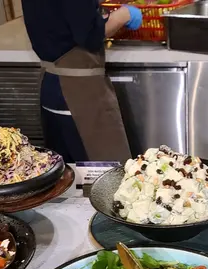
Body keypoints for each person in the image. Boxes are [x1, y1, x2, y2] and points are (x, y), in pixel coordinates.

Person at [22, 1, 143, 162]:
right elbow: (90, 35)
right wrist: (124, 15)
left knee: (65, 171)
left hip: (51, 86)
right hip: (78, 93)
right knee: (102, 173)